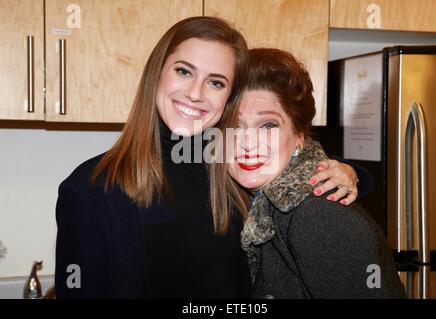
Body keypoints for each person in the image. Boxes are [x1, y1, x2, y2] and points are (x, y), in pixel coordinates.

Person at [55, 17, 359, 299]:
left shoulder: (228, 172)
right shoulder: (92, 188)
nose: (195, 93)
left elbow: (291, 171)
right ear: (156, 73)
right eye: (183, 71)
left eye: (216, 82)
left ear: (228, 98)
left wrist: (351, 173)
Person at [215, 48, 406, 298]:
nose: (247, 143)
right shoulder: (246, 203)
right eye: (234, 126)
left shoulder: (316, 215)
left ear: (299, 137)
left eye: (268, 125)